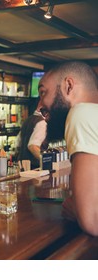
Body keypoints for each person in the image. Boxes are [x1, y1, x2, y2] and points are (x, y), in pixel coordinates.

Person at [39, 60, 98, 237]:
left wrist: (78, 209)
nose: (39, 105)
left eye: (43, 92)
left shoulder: (81, 114)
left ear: (69, 86)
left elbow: (93, 220)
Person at [15, 97, 47, 170]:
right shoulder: (42, 122)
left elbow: (17, 144)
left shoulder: (28, 120)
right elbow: (32, 146)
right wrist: (46, 161)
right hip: (34, 169)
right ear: (41, 104)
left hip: (23, 167)